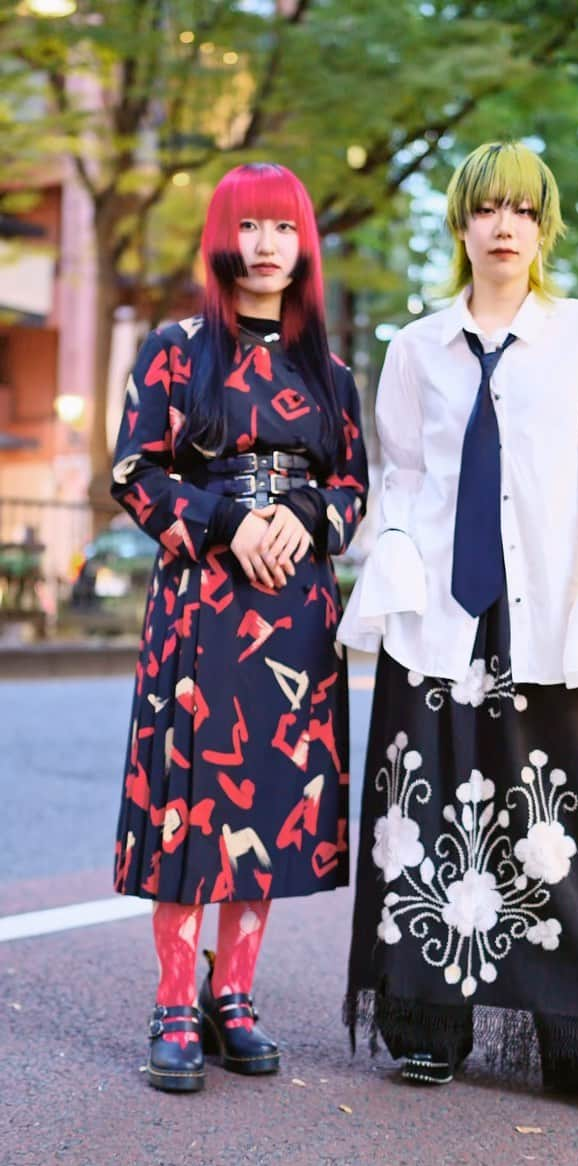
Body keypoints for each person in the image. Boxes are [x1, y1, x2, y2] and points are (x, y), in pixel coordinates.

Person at [339, 141, 578, 1114]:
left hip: (549, 620)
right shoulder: (415, 347)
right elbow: (400, 475)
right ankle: (426, 1021)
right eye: (487, 209)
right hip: (440, 618)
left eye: (523, 209)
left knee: (560, 825)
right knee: (423, 811)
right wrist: (392, 569)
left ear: (544, 223)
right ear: (462, 223)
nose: (505, 227)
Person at [110, 162, 368, 1092]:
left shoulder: (328, 372)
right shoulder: (176, 348)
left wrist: (302, 522)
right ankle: (176, 998)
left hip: (294, 608)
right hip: (200, 603)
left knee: (262, 800)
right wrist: (228, 524)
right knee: (189, 799)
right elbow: (135, 472)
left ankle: (236, 997)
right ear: (224, 238)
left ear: (305, 248)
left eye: (284, 230)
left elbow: (352, 486)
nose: (266, 247)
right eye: (250, 228)